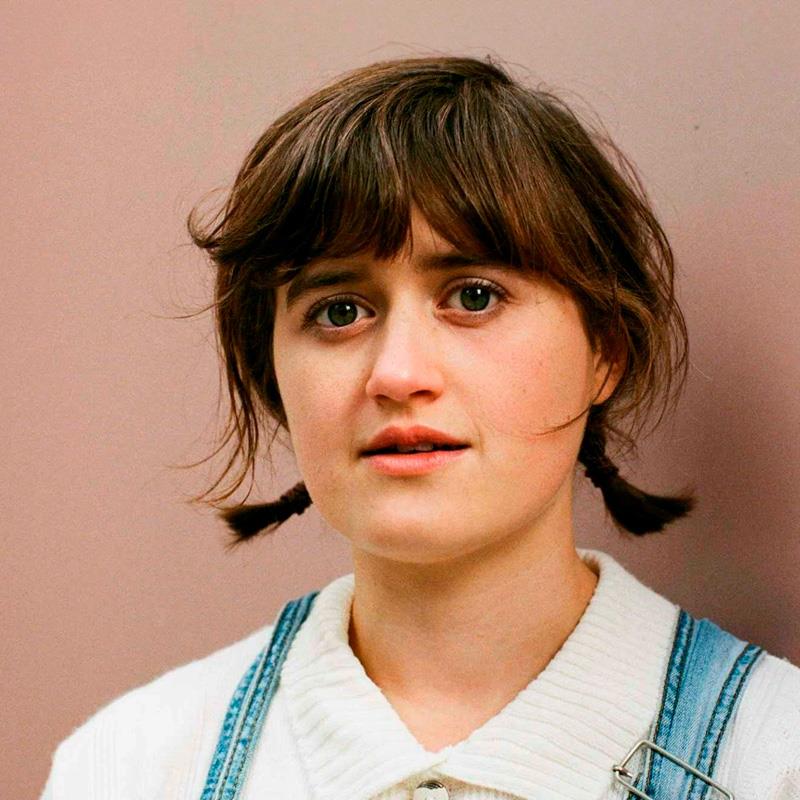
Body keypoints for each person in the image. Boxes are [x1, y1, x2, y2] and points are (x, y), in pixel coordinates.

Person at [40, 55, 800, 800]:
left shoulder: (775, 758)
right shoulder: (127, 767)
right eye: (340, 311)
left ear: (605, 352)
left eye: (473, 296)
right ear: (272, 373)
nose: (398, 374)